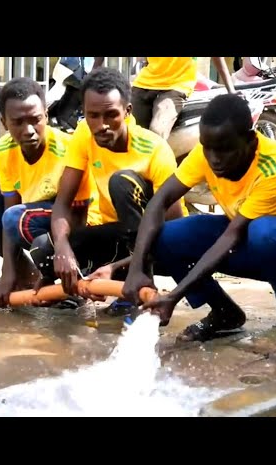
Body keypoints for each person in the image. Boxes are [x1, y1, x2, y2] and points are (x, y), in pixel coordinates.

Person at [123, 93, 276, 345]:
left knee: (264, 229)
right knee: (167, 236)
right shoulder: (206, 153)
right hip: (253, 244)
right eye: (207, 147)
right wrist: (136, 268)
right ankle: (225, 313)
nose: (213, 158)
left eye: (224, 149)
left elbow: (231, 235)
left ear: (250, 139)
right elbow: (160, 201)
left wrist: (174, 297)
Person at [30, 67, 187, 315]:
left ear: (127, 112)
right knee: (43, 249)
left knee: (121, 181)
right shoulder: (85, 134)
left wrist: (121, 266)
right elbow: (62, 203)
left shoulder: (155, 150)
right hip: (115, 237)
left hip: (155, 242)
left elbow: (175, 225)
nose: (101, 125)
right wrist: (63, 249)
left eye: (111, 115)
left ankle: (139, 281)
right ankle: (79, 292)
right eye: (93, 116)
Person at [0, 77, 101, 308]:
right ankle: (25, 276)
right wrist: (7, 272)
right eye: (18, 122)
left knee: (16, 218)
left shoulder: (68, 148)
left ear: (46, 114)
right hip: (32, 217)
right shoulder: (4, 149)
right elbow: (9, 205)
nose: (29, 131)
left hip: (76, 225)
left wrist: (69, 256)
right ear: (4, 123)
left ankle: (71, 281)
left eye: (35, 120)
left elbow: (81, 216)